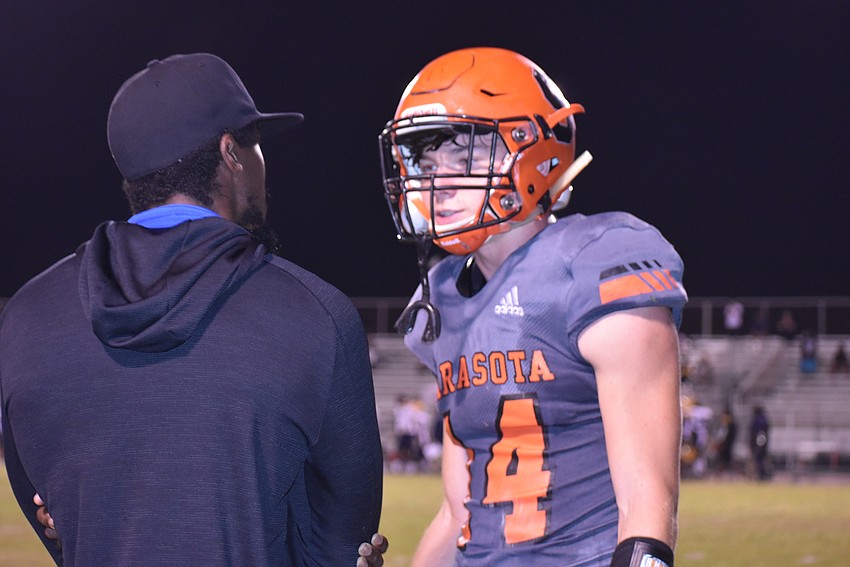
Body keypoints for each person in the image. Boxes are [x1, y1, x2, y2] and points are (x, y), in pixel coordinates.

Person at [0, 53, 384, 566]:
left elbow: (52, 519)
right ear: (231, 153)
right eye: (256, 143)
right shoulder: (315, 312)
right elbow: (347, 537)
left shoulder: (25, 317)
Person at [379, 47, 687, 566]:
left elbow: (647, 506)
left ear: (533, 150)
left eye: (464, 155)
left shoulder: (595, 261)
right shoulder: (443, 297)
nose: (438, 181)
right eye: (426, 163)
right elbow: (459, 513)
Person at [749, 406, 771, 481]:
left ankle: (763, 475)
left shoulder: (758, 419)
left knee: (759, 459)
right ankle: (763, 474)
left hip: (759, 442)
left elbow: (760, 433)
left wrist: (759, 444)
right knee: (761, 459)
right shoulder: (764, 419)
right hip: (763, 442)